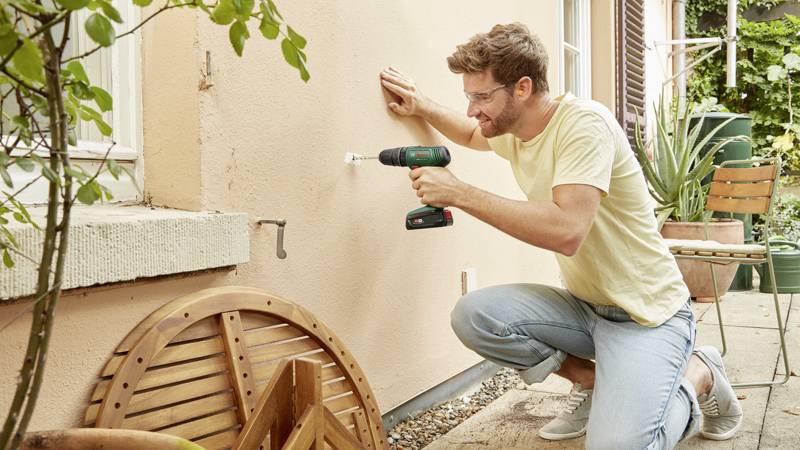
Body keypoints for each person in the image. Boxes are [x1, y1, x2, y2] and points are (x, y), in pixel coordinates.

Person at [379, 23, 742, 449]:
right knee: (474, 315)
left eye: (482, 97)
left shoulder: (584, 126)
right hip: (586, 308)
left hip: (648, 316)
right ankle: (592, 382)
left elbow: (567, 231)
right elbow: (471, 133)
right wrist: (421, 105)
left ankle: (699, 373)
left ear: (522, 88)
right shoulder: (515, 132)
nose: (473, 109)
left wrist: (459, 193)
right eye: (469, 97)